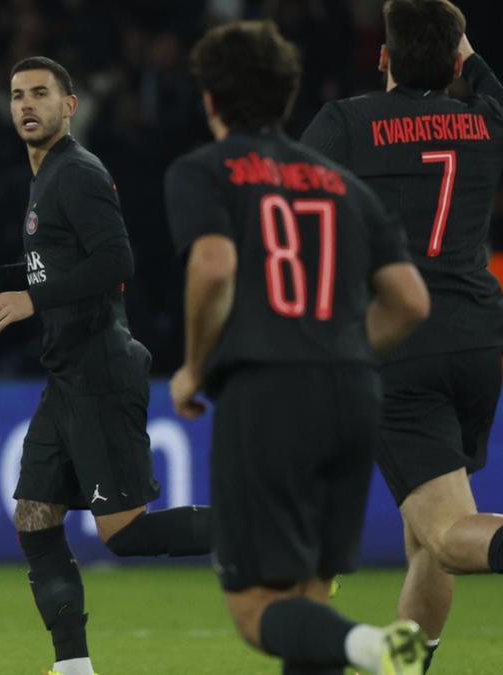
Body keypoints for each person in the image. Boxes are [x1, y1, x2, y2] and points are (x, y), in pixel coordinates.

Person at [300, 0, 503, 665]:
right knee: (425, 539)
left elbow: (288, 201)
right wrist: (472, 63)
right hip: (477, 342)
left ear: (383, 55)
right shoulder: (482, 121)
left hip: (399, 342)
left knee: (443, 533)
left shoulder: (347, 121)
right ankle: (410, 664)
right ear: (456, 61)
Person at [166, 19, 433, 675]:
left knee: (255, 607)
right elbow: (410, 301)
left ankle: (376, 646)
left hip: (267, 392)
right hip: (353, 391)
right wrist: (336, 344)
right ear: (287, 96)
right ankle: (361, 645)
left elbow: (213, 266)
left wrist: (195, 367)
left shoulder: (203, 172)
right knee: (310, 594)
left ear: (210, 99)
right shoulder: (345, 184)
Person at [0, 56, 211, 675]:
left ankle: (279, 533)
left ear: (69, 106)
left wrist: (30, 298)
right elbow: (60, 263)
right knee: (35, 518)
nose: (26, 104)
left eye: (40, 93)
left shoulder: (78, 173)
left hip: (100, 373)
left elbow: (116, 260)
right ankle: (73, 668)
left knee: (125, 533)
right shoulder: (46, 177)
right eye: (18, 95)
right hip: (67, 375)